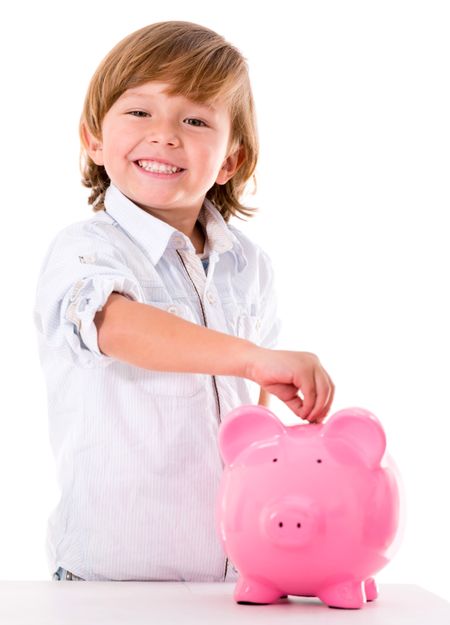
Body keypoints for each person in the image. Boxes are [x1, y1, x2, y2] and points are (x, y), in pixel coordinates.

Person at [34, 21, 334, 583]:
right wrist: (250, 358)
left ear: (229, 162)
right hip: (110, 581)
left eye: (195, 120)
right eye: (140, 112)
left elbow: (251, 411)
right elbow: (113, 325)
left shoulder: (249, 265)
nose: (165, 135)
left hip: (233, 573)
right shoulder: (87, 249)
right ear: (94, 138)